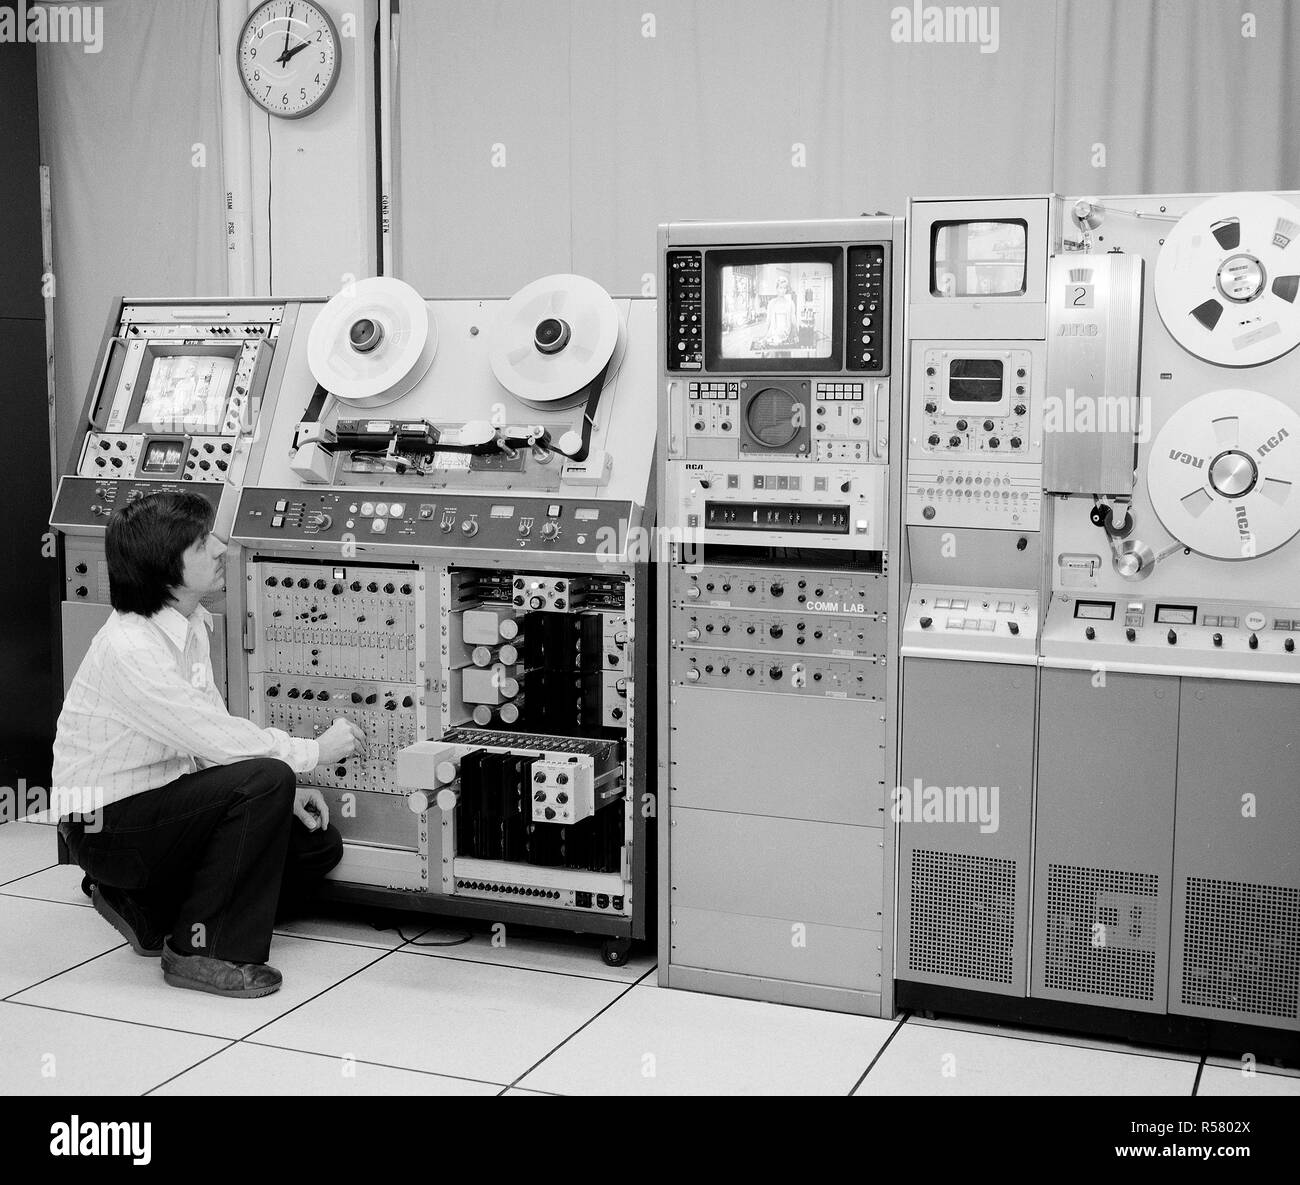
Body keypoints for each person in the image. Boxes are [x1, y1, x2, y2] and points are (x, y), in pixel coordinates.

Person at [52, 491, 364, 998]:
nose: (221, 549)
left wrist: (283, 790)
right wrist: (311, 753)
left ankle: (146, 904)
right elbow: (213, 737)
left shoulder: (192, 623)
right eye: (203, 543)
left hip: (162, 806)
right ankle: (203, 951)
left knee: (316, 848)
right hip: (107, 826)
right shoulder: (130, 648)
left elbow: (207, 733)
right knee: (266, 780)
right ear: (165, 567)